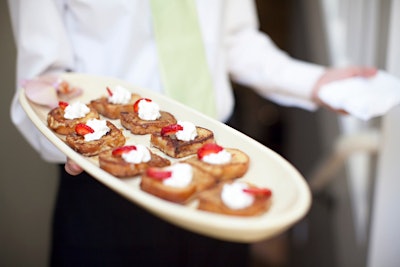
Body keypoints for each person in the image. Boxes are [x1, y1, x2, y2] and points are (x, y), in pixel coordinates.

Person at [7, 0, 376, 266]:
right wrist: (68, 141)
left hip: (218, 159)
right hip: (108, 179)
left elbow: (233, 39)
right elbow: (43, 77)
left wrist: (314, 82)